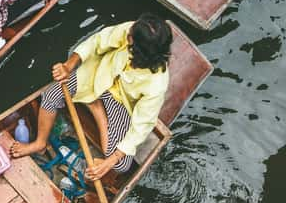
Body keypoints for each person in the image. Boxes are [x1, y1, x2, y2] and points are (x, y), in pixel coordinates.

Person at [11, 15, 173, 181]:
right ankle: (40, 143)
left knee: (121, 165)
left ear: (137, 48)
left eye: (130, 36)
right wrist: (69, 66)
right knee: (50, 95)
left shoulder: (157, 84)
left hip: (120, 103)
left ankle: (97, 110)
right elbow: (97, 41)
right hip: (98, 76)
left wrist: (109, 161)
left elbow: (142, 125)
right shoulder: (131, 30)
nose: (127, 32)